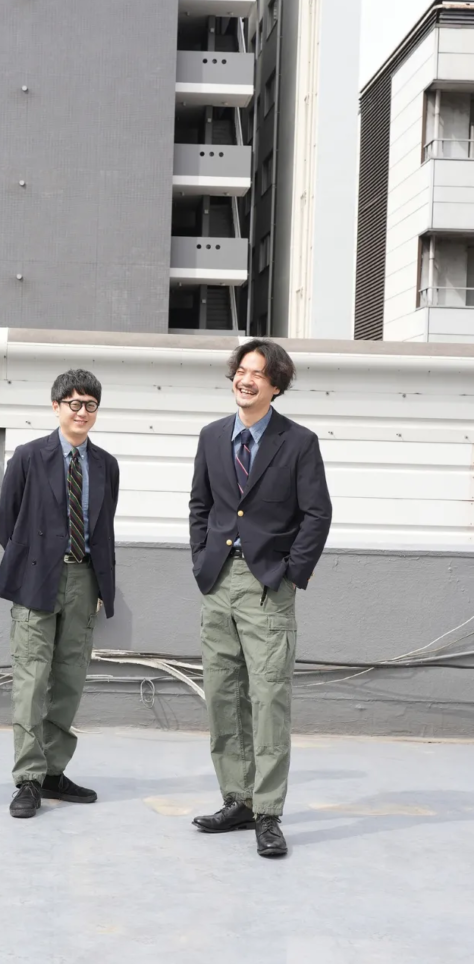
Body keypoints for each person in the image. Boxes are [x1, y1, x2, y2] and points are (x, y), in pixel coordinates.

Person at [188, 340, 331, 857]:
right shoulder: (211, 436)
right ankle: (238, 799)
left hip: (268, 585)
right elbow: (200, 504)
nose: (245, 380)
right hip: (217, 584)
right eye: (241, 370)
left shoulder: (298, 441)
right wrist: (201, 560)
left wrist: (291, 575)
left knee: (268, 700)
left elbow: (317, 514)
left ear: (276, 385)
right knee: (223, 697)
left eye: (258, 373)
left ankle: (268, 813)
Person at [0, 369, 120, 819]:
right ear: (56, 407)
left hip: (84, 581)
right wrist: (34, 560)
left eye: (90, 405)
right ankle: (27, 778)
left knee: (69, 681)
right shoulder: (29, 457)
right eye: (74, 404)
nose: (82, 412)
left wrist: (101, 585)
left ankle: (52, 772)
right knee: (31, 682)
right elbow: (5, 523)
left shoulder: (105, 464)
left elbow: (104, 527)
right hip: (36, 579)